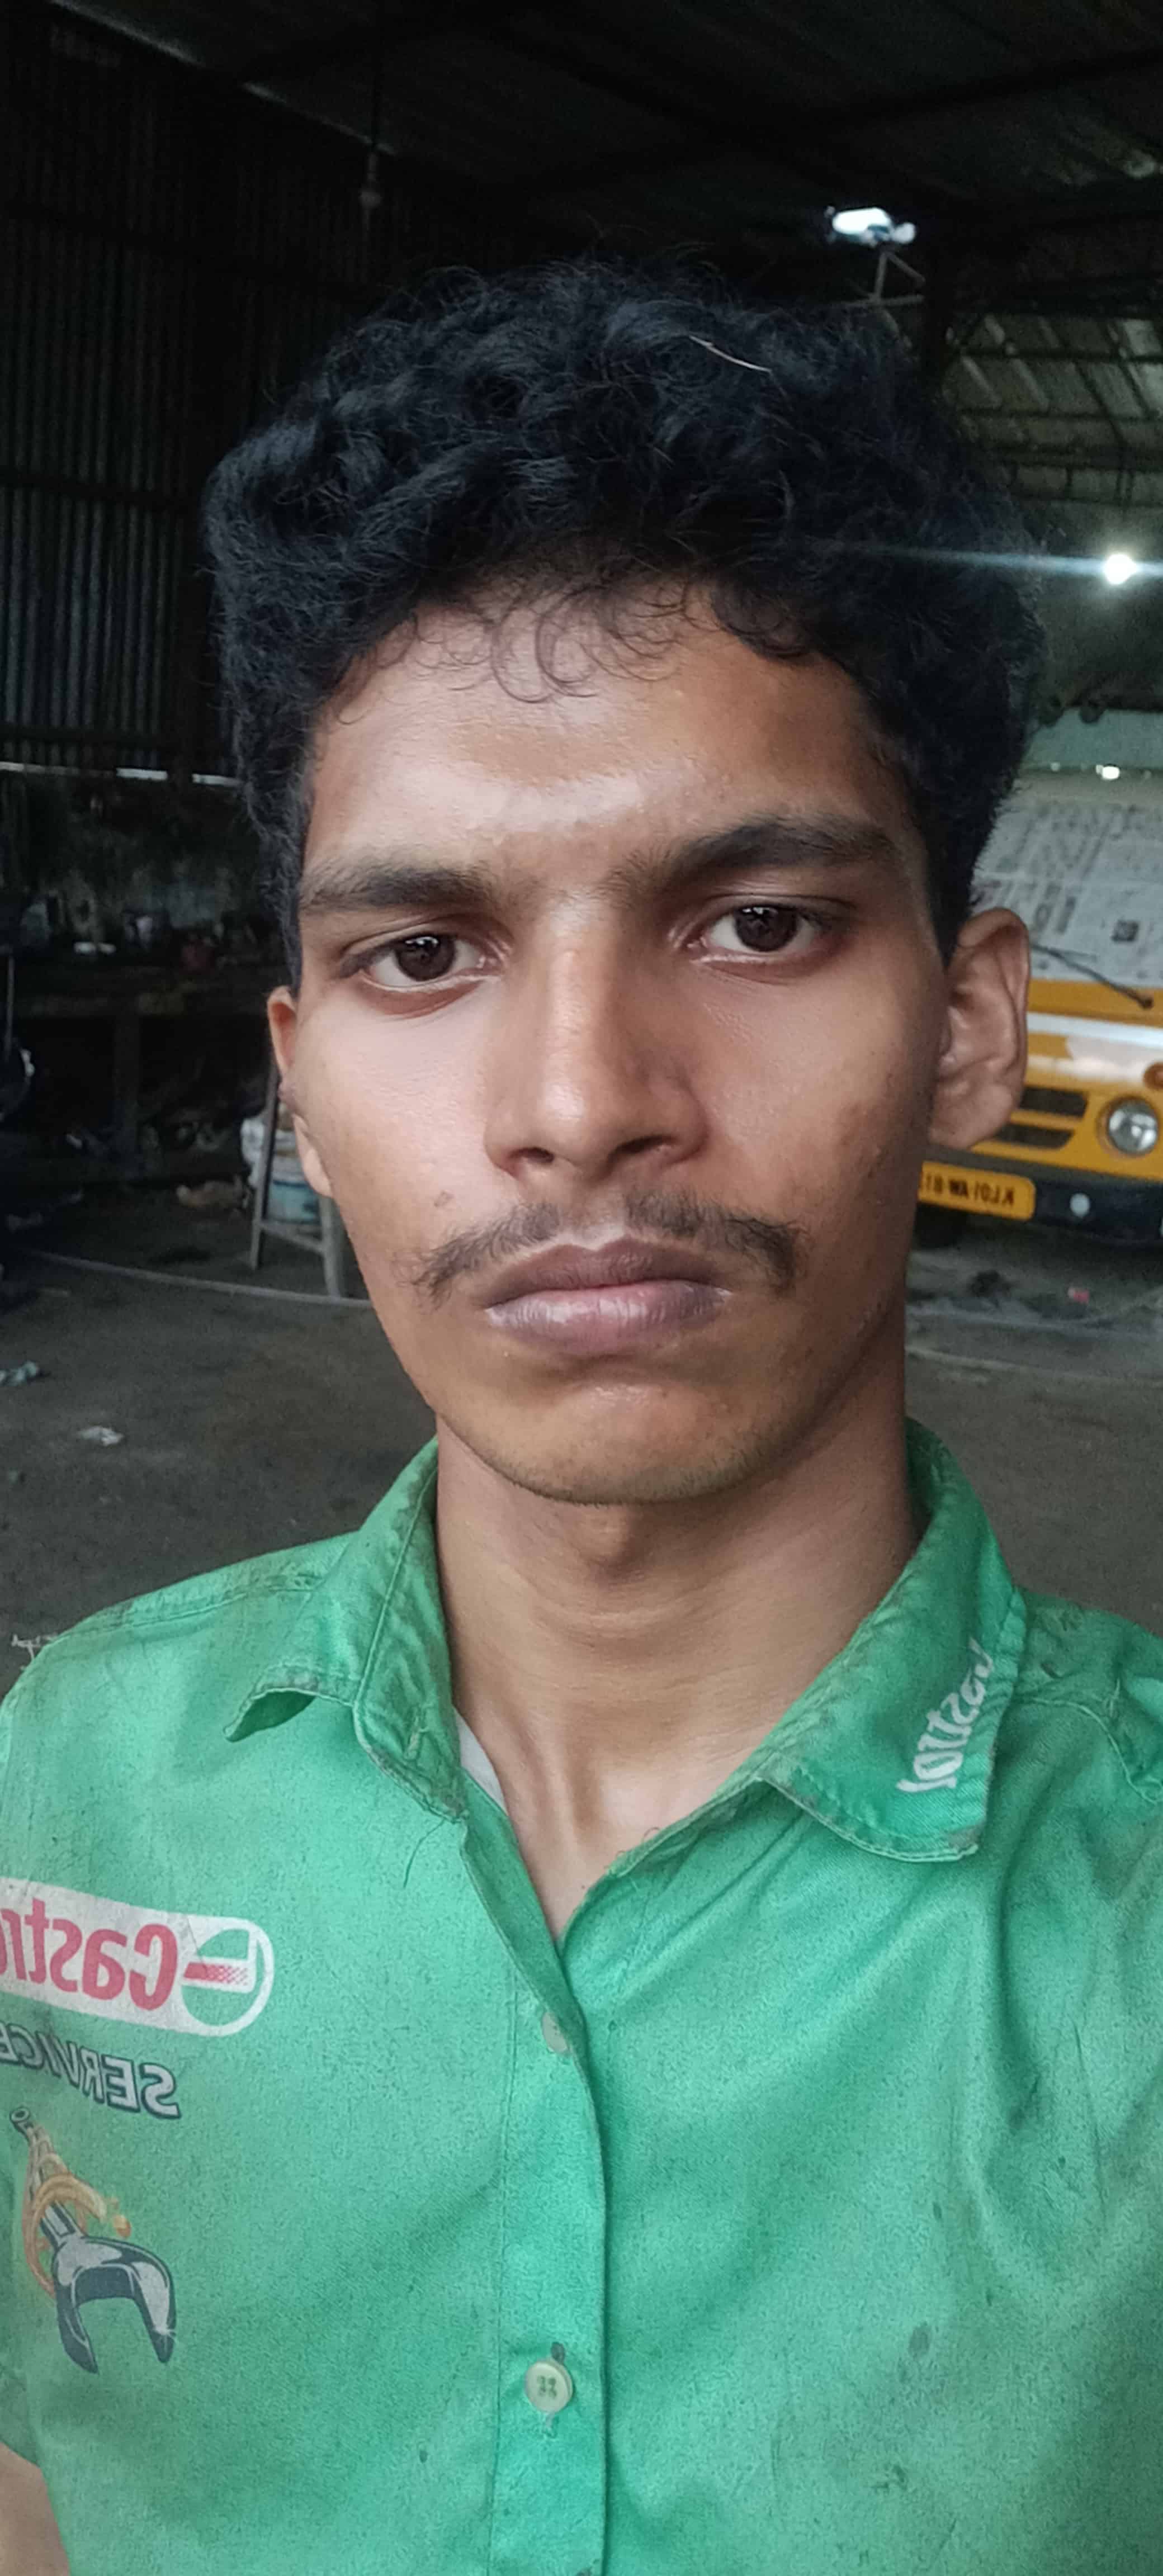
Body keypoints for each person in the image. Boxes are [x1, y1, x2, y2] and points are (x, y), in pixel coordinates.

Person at [2, 258, 1161, 2576]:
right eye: (423, 954)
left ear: (968, 1028)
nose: (579, 1101)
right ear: (300, 1083)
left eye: (757, 923)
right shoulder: (66, 1785)